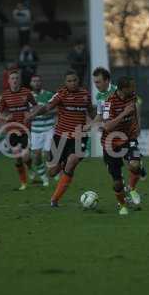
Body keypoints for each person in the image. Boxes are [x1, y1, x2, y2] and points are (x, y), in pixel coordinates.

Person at [26, 70, 93, 207]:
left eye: (74, 80)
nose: (72, 83)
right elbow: (47, 107)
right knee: (52, 172)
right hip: (60, 137)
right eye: (69, 81)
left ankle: (54, 200)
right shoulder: (60, 94)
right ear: (65, 82)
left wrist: (94, 122)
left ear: (78, 80)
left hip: (79, 136)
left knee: (72, 160)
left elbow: (91, 111)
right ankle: (62, 164)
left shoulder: (85, 94)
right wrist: (33, 115)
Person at [92, 67, 147, 182]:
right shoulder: (99, 96)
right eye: (95, 82)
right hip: (110, 136)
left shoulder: (119, 90)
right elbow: (100, 115)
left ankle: (134, 180)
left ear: (107, 81)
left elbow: (138, 103)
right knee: (116, 172)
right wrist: (91, 125)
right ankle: (127, 182)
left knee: (132, 164)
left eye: (98, 82)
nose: (96, 85)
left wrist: (138, 123)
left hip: (126, 134)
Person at [100, 76, 144, 215]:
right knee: (117, 183)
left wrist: (138, 125)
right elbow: (107, 126)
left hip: (129, 139)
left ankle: (131, 188)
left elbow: (136, 109)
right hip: (111, 144)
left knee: (135, 165)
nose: (134, 89)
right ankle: (123, 205)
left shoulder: (133, 97)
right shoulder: (109, 103)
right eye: (132, 87)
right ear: (123, 89)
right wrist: (124, 113)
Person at [0, 70, 37, 190]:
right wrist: (5, 117)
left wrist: (31, 115)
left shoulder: (27, 92)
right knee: (17, 156)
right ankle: (23, 183)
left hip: (25, 129)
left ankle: (29, 167)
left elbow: (36, 107)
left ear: (19, 80)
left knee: (26, 156)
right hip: (11, 131)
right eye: (12, 78)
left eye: (16, 78)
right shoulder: (4, 95)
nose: (14, 80)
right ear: (8, 81)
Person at [29, 75, 56, 187]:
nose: (37, 83)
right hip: (35, 130)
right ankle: (44, 177)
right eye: (34, 81)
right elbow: (25, 113)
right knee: (36, 157)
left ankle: (54, 171)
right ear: (31, 83)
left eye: (38, 81)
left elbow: (57, 109)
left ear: (42, 82)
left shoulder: (49, 95)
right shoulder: (27, 97)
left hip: (49, 128)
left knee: (48, 153)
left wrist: (43, 112)